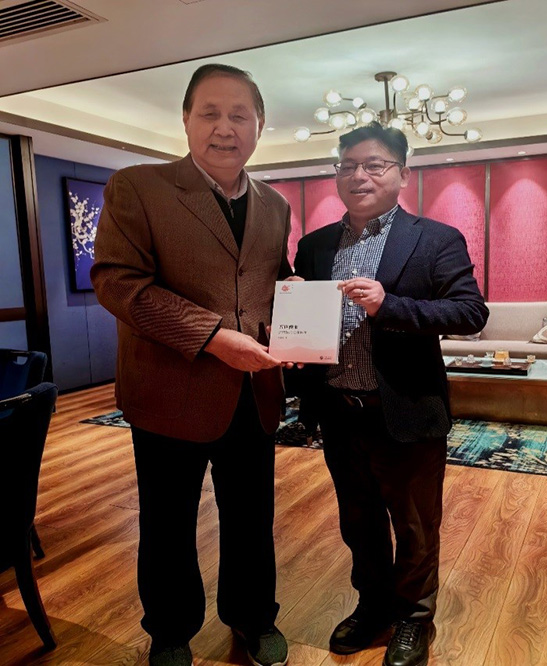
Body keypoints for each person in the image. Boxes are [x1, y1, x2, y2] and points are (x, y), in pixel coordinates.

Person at [91, 64, 292, 666]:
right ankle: (171, 631)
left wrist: (296, 306)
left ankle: (254, 617)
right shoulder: (138, 187)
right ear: (185, 119)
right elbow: (118, 282)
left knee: (252, 518)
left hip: (253, 392)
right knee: (168, 522)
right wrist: (211, 337)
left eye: (239, 115)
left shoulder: (275, 203)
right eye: (210, 113)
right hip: (168, 394)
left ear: (260, 125)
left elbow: (267, 281)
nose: (224, 128)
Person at [293, 122, 489, 666]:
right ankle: (373, 605)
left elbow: (470, 312)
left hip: (406, 410)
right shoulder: (314, 245)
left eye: (374, 165)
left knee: (416, 525)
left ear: (402, 174)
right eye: (347, 165)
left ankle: (415, 619)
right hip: (340, 411)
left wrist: (389, 305)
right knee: (358, 522)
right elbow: (301, 318)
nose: (359, 175)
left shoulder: (435, 239)